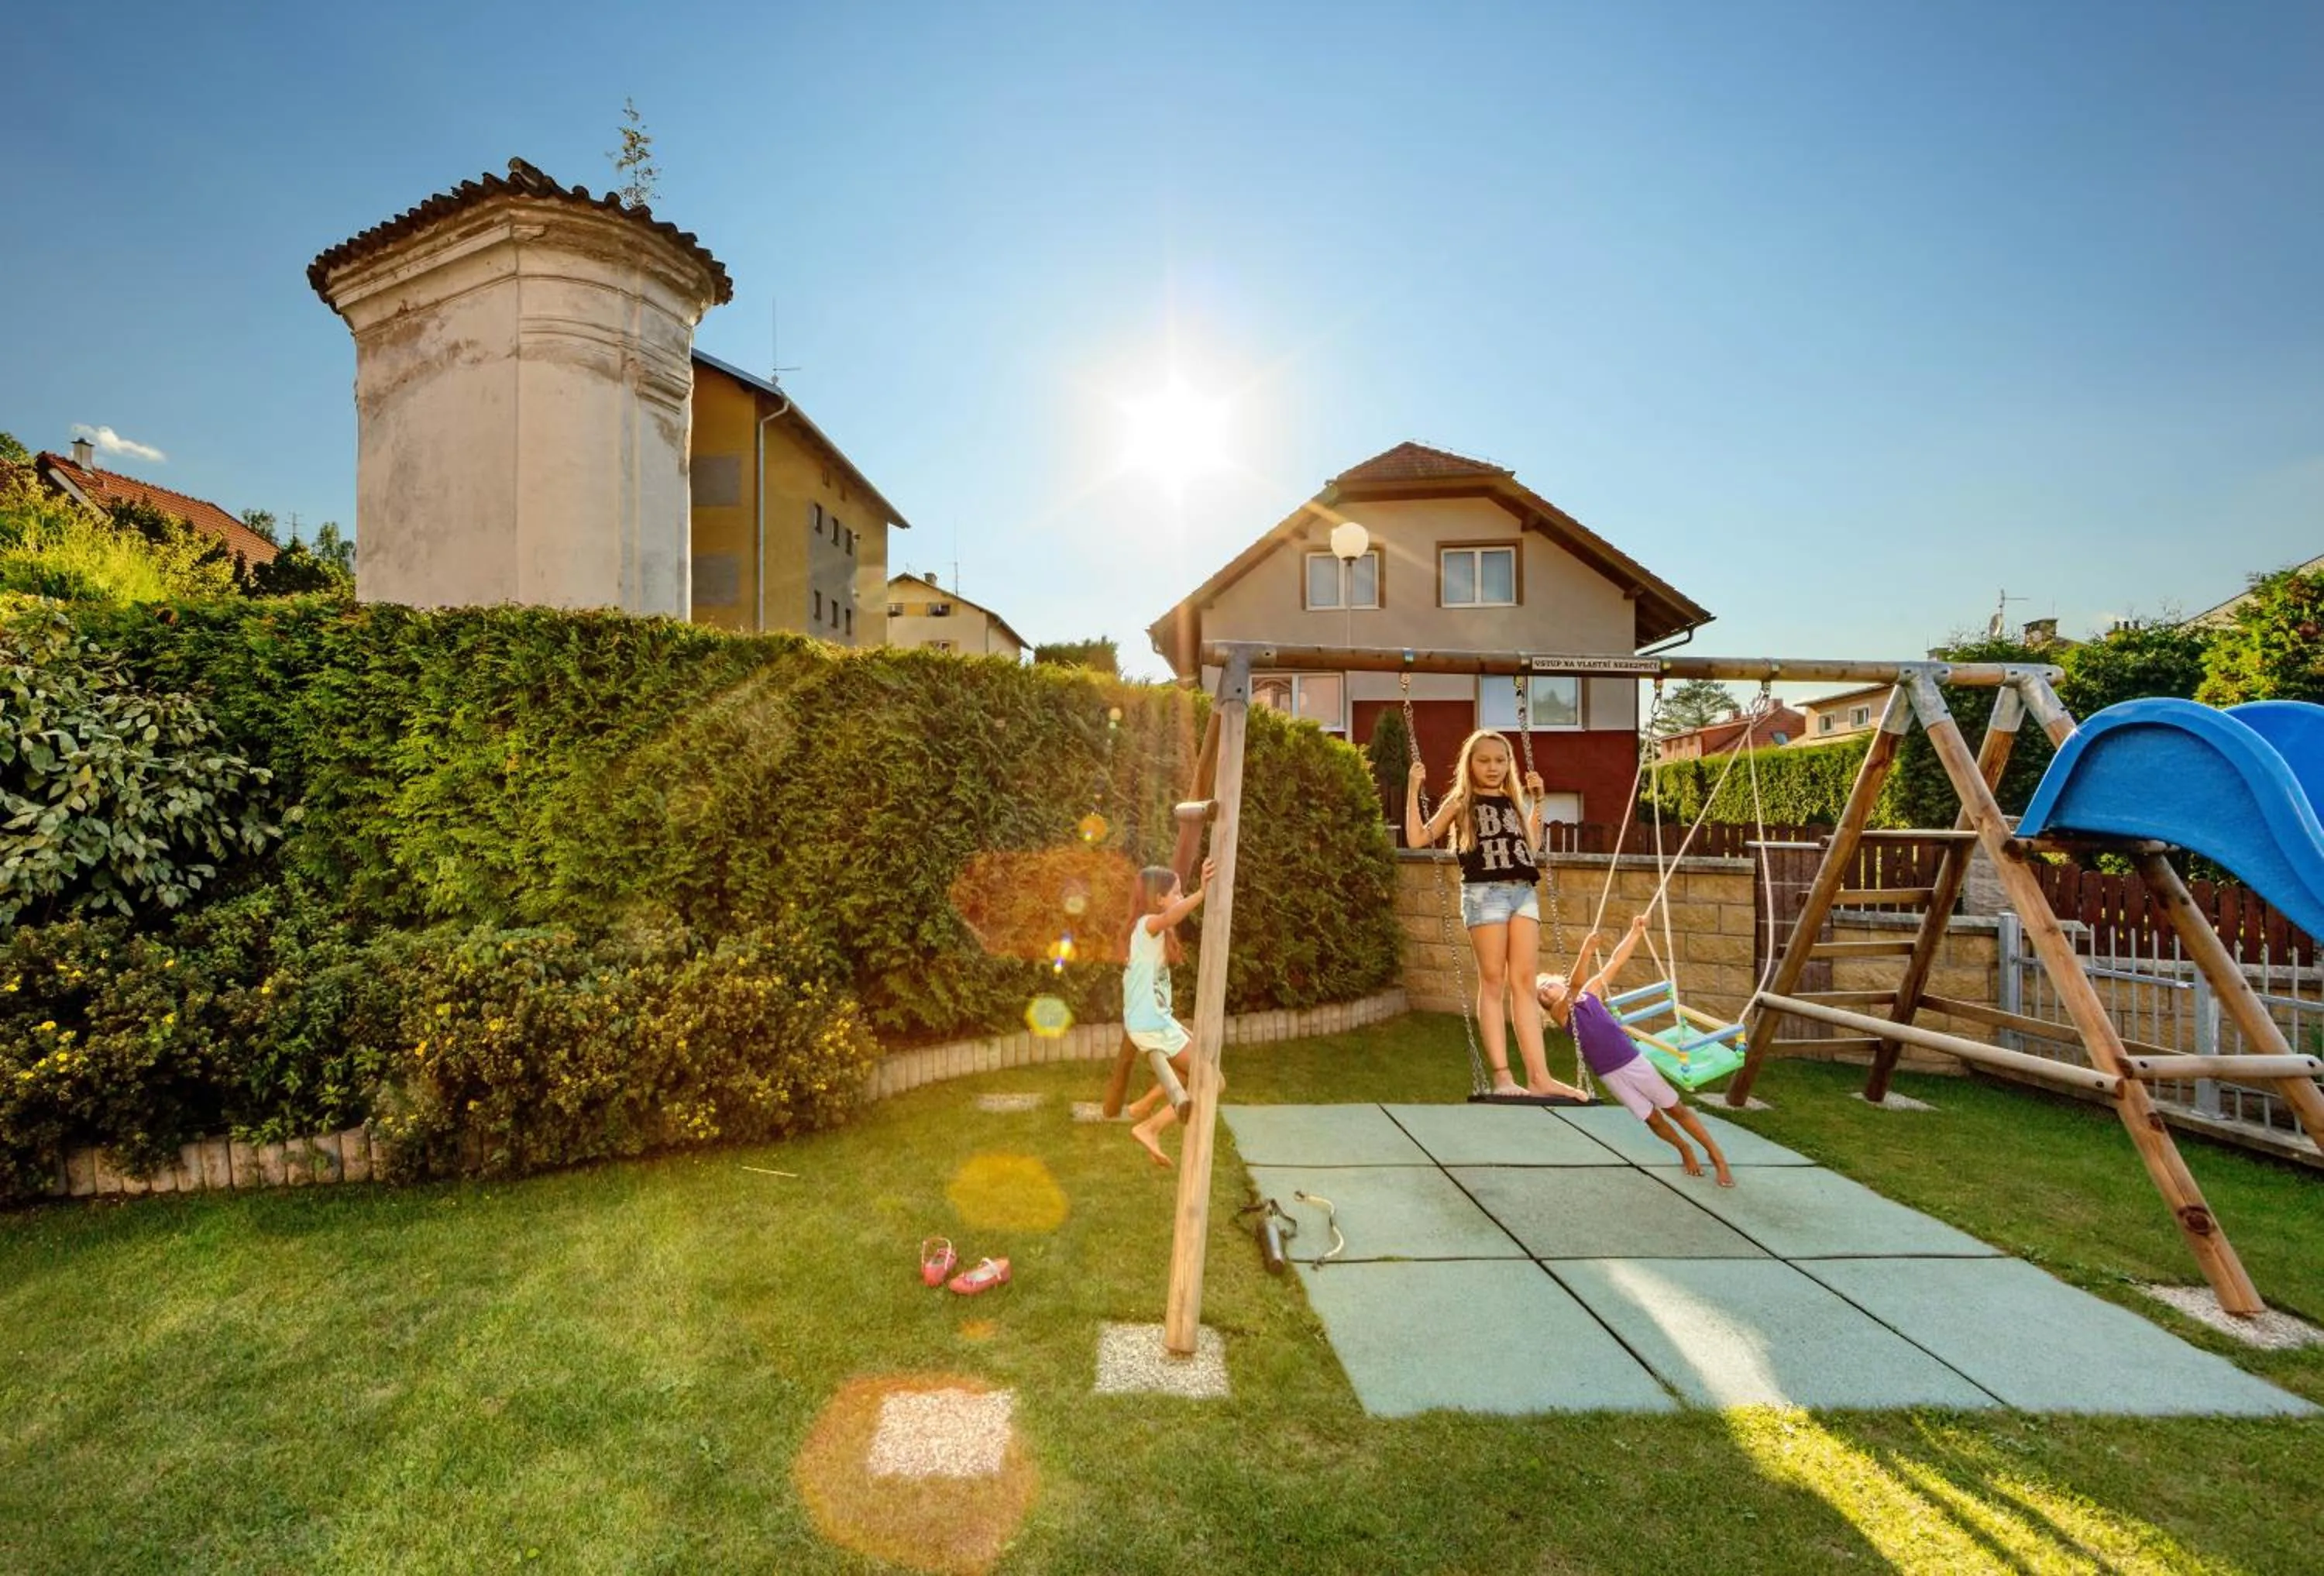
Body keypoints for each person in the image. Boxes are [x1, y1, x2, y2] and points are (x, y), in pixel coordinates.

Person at [1407, 731, 1588, 1101]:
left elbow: (1531, 847)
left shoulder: (1513, 802)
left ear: (1509, 764)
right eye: (1484, 760)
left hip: (1523, 892)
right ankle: (1503, 1077)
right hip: (1484, 894)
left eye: (1500, 760)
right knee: (1493, 982)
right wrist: (1413, 788)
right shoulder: (1461, 802)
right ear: (1470, 764)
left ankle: (1540, 1078)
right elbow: (1417, 838)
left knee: (1524, 984)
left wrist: (1538, 802)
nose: (1493, 767)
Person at [1538, 915, 1735, 1185]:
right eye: (1541, 994)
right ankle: (1684, 1148)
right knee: (1652, 1119)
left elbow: (1615, 962)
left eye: (1547, 984)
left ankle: (1717, 1157)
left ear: (1559, 982)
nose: (1544, 991)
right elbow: (1573, 987)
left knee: (1675, 1109)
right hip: (1610, 1074)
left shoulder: (1591, 993)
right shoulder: (1561, 1014)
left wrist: (1635, 933)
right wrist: (1586, 951)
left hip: (1632, 1061)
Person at [1122, 858, 1217, 1168]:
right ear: (1159, 898)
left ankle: (1144, 1105)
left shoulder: (1148, 933)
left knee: (1193, 1062)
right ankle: (1150, 1128)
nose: (1180, 897)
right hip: (1152, 1024)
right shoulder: (1147, 925)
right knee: (1214, 1081)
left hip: (1153, 1021)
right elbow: (1172, 916)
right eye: (1176, 892)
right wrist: (1201, 893)